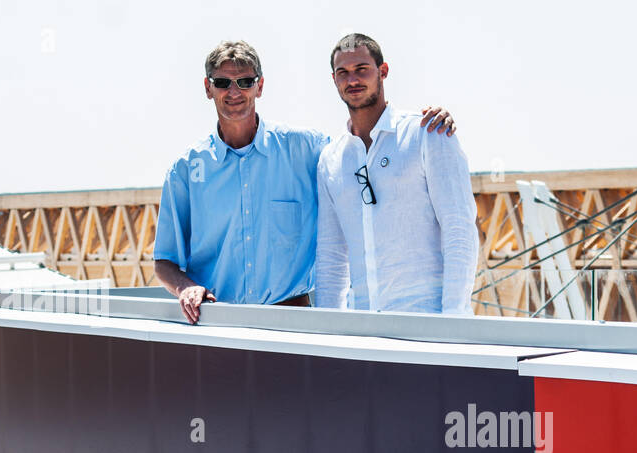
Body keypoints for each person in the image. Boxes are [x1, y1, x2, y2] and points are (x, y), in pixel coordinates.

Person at [154, 40, 457, 324]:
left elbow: (364, 151)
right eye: (222, 82)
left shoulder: (307, 150)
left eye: (245, 81)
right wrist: (185, 288)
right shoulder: (185, 171)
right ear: (208, 88)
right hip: (218, 328)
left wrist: (416, 127)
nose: (234, 91)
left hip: (293, 327)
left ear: (259, 86)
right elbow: (164, 261)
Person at [314, 34, 479, 316]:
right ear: (334, 80)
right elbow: (331, 255)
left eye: (361, 69)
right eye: (343, 73)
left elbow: (459, 228)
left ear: (383, 71)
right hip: (362, 327)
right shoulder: (330, 159)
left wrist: (453, 320)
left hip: (427, 321)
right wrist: (328, 332)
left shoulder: (428, 133)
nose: (352, 79)